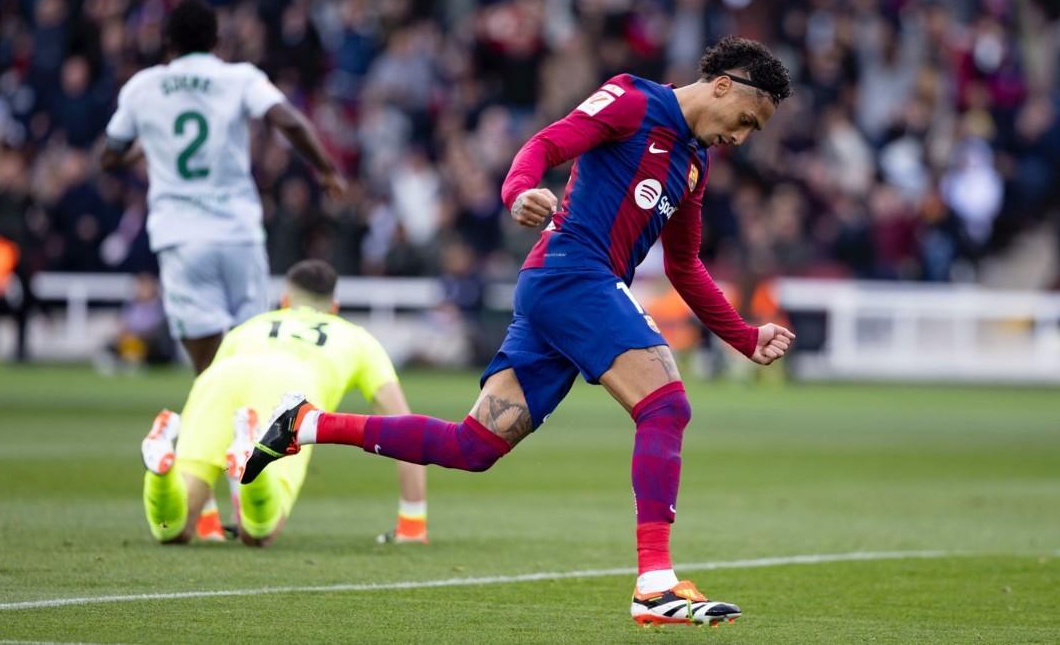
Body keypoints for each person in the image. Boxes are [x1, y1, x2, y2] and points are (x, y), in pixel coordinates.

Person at [245, 37, 794, 624]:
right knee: (666, 406)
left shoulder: (694, 164)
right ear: (723, 86)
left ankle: (304, 423)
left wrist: (743, 336)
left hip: (570, 291)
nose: (739, 137)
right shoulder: (634, 100)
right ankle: (654, 583)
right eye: (745, 121)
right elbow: (547, 143)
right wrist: (518, 192)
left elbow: (684, 265)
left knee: (473, 445)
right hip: (571, 274)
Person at [99, 0, 345, 375]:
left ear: (167, 43)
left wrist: (142, 149)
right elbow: (289, 122)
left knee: (205, 364)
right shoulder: (239, 78)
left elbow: (109, 155)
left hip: (180, 234)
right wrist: (326, 169)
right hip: (237, 230)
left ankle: (217, 418)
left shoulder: (142, 87)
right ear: (216, 41)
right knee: (253, 346)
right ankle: (254, 424)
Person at [141, 260, 428, 546]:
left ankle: (161, 475)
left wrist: (206, 519)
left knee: (173, 528)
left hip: (220, 378)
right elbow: (403, 428)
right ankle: (248, 460)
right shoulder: (357, 338)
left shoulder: (248, 327)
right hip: (289, 385)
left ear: (284, 302)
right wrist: (412, 523)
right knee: (260, 531)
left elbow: (207, 396)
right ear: (335, 307)